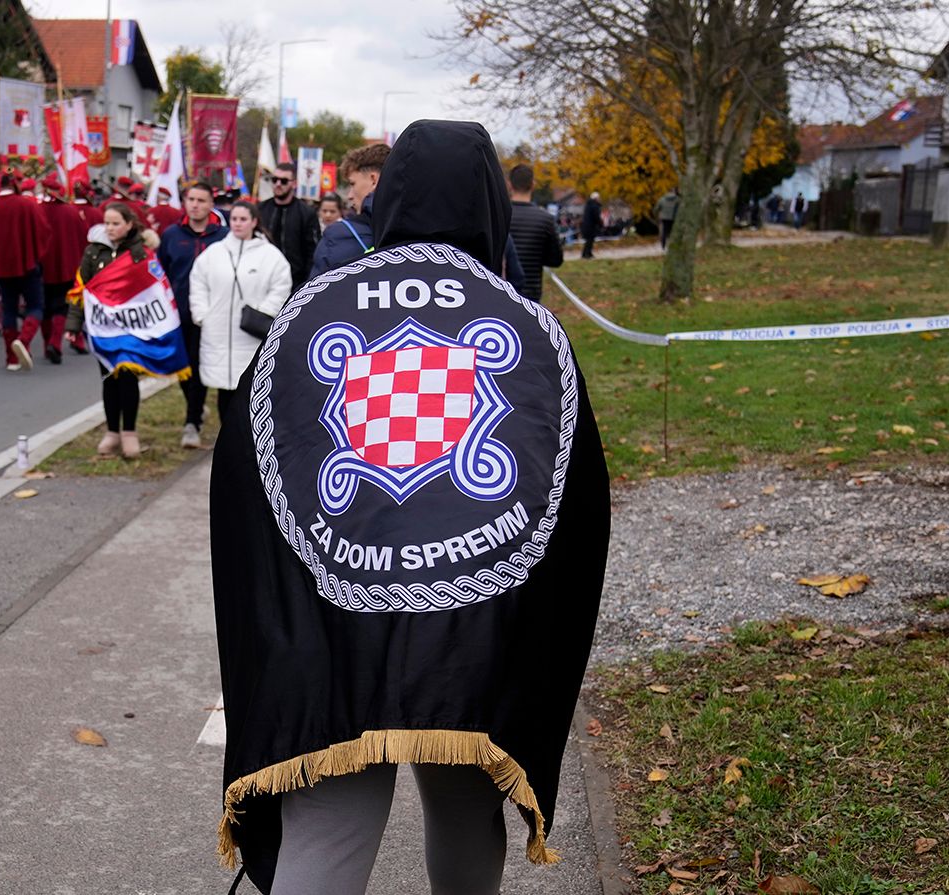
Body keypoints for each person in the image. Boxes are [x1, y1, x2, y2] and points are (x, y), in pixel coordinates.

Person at [210, 118, 612, 895]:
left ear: (386, 200)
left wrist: (281, 623)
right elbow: (573, 505)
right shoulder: (530, 328)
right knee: (465, 809)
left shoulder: (305, 317)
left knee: (328, 825)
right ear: (491, 204)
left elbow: (246, 478)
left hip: (329, 630)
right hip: (472, 633)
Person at [74, 202, 186, 459]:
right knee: (109, 379)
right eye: (107, 223)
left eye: (116, 223)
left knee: (127, 378)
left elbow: (154, 289)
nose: (110, 228)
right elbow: (82, 290)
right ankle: (112, 431)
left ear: (129, 224)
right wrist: (73, 325)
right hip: (103, 329)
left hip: (133, 330)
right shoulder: (93, 252)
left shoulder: (141, 253)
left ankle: (129, 432)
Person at [187, 200, 290, 417]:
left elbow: (280, 287)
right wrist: (202, 314)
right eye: (234, 219)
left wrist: (263, 312)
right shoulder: (214, 253)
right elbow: (198, 284)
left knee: (247, 390)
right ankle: (224, 432)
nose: (238, 223)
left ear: (254, 222)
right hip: (217, 333)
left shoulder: (270, 256)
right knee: (223, 392)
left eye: (243, 219)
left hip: (250, 335)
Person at [155, 181, 227, 448]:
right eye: (191, 200)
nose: (195, 205)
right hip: (179, 313)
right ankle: (195, 406)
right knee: (183, 366)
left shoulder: (223, 236)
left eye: (201, 200)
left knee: (200, 367)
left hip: (213, 314)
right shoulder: (172, 235)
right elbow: (160, 272)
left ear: (211, 205)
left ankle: (192, 422)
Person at [0, 167, 53, 371]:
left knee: (9, 309)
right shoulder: (27, 204)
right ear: (14, 183)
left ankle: (11, 358)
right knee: (36, 306)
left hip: (2, 268)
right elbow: (43, 231)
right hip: (27, 264)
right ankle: (24, 340)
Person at [308, 143, 388, 279]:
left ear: (373, 180)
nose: (350, 195)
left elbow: (316, 289)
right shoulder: (420, 226)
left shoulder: (337, 235)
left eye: (352, 184)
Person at [36, 175, 88, 364]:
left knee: (44, 308)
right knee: (61, 307)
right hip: (65, 267)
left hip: (41, 266)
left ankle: (47, 346)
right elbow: (83, 239)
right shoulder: (71, 212)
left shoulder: (36, 210)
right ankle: (55, 343)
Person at [257, 161, 320, 287]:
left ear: (294, 184)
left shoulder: (306, 213)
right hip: (263, 279)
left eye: (284, 181)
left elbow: (313, 252)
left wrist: (306, 284)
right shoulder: (260, 210)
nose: (278, 184)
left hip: (296, 282)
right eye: (274, 180)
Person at [507, 163, 563, 301]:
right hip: (531, 291)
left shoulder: (498, 216)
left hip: (502, 290)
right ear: (533, 185)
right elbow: (556, 260)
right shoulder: (545, 219)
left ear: (509, 185)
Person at [580, 190, 602, 258]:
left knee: (589, 240)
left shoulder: (588, 205)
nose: (599, 199)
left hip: (587, 225)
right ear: (596, 198)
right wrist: (600, 224)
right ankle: (587, 254)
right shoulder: (594, 206)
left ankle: (586, 253)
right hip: (590, 226)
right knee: (590, 241)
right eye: (598, 198)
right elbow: (596, 217)